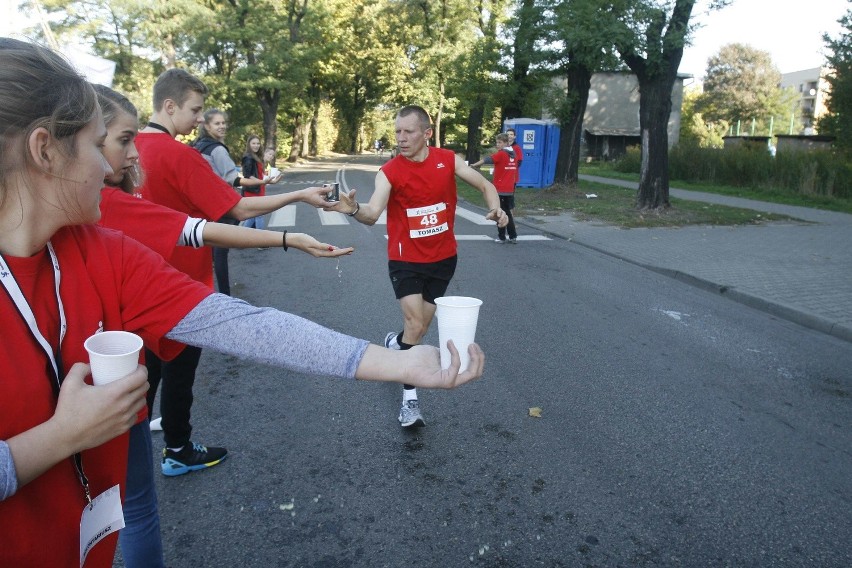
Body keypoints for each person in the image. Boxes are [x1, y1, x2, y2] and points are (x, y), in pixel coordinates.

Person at [0, 38, 484, 567]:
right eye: (103, 145)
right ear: (45, 150)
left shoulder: (102, 250)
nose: (122, 164)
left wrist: (402, 362)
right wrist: (59, 438)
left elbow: (243, 325)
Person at [94, 83, 352, 568]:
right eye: (195, 111)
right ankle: (175, 446)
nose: (130, 158)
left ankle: (147, 447)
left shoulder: (110, 199)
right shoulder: (171, 159)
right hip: (177, 296)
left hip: (123, 324)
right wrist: (292, 225)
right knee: (172, 386)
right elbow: (227, 214)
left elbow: (189, 226)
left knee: (131, 415)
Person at [135, 68, 338, 479]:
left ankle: (131, 453)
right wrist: (299, 194)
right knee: (179, 369)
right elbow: (237, 209)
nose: (198, 119)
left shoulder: (125, 149)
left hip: (132, 285)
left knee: (144, 371)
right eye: (194, 111)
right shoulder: (180, 155)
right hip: (179, 286)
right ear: (169, 106)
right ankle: (177, 448)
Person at [325, 105, 506, 428]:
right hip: (405, 258)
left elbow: (485, 185)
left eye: (408, 132)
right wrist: (353, 210)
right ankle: (410, 401)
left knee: (420, 328)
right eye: (397, 131)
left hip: (442, 258)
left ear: (427, 134)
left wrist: (495, 208)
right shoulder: (390, 171)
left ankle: (396, 346)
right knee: (414, 326)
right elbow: (372, 213)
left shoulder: (447, 160)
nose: (401, 138)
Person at [192, 109, 267, 294]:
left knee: (206, 251)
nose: (222, 126)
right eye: (217, 123)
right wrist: (262, 182)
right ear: (207, 126)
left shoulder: (198, 146)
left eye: (223, 123)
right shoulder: (217, 149)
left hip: (200, 204)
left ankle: (202, 291)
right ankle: (225, 294)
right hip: (218, 205)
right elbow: (232, 179)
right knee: (220, 252)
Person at [470, 133, 519, 243]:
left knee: (499, 213)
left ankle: (501, 237)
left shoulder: (501, 154)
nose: (497, 145)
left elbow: (487, 159)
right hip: (509, 189)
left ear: (506, 143)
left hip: (500, 189)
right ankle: (513, 236)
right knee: (508, 213)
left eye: (500, 142)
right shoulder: (513, 154)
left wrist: (475, 165)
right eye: (497, 142)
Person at [241, 135, 278, 232]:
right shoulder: (248, 157)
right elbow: (248, 175)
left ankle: (240, 237)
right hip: (252, 191)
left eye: (258, 143)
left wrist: (269, 180)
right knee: (259, 214)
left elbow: (259, 173)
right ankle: (261, 242)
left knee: (253, 216)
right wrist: (263, 181)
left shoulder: (256, 157)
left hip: (258, 189)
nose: (256, 146)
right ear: (248, 144)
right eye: (253, 143)